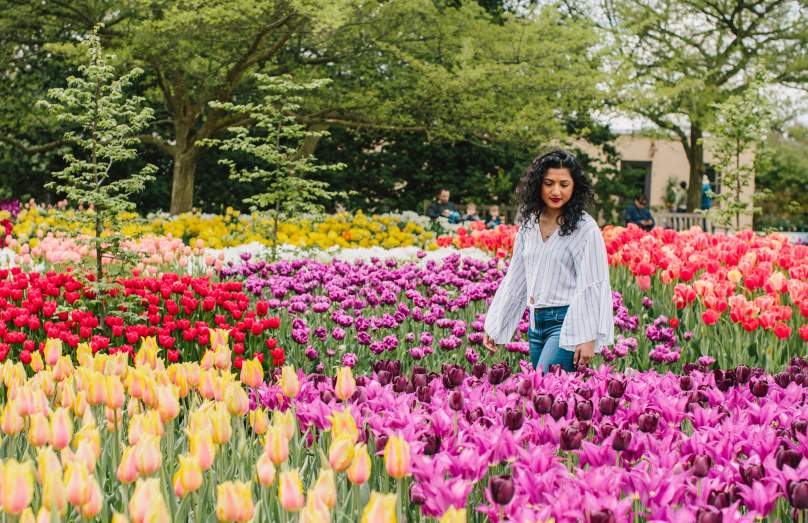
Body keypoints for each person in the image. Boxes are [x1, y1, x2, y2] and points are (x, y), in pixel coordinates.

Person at [482, 149, 615, 372]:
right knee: (545, 400)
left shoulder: (585, 228)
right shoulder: (529, 225)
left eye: (564, 184)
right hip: (535, 323)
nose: (556, 191)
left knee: (544, 386)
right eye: (549, 183)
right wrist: (497, 324)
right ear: (537, 185)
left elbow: (594, 283)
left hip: (567, 323)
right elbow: (517, 277)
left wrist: (588, 336)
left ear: (575, 187)